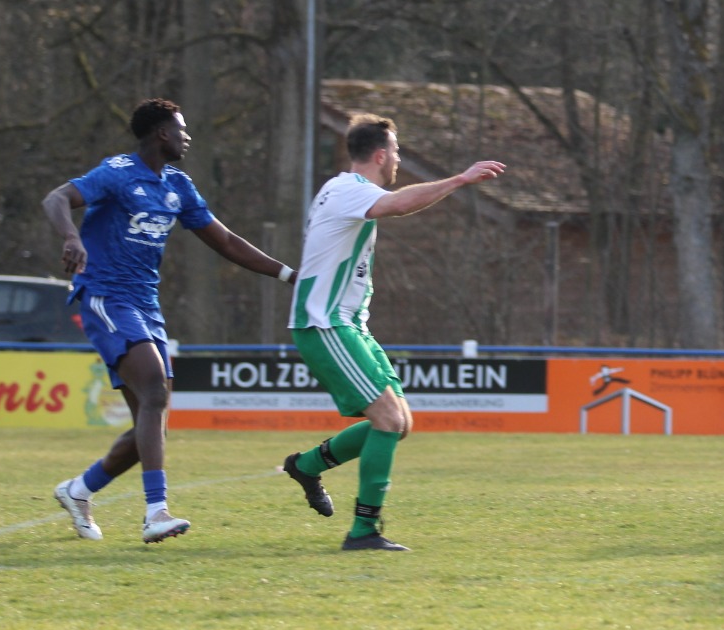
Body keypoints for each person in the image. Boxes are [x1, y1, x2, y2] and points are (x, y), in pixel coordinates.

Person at [46, 98, 298, 544]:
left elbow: (225, 241)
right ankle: (155, 513)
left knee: (153, 419)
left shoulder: (178, 185)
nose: (187, 136)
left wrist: (289, 275)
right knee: (155, 392)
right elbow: (57, 198)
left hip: (146, 303)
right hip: (106, 295)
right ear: (162, 133)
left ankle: (79, 490)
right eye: (181, 129)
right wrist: (71, 236)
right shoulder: (118, 172)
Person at [279, 114, 504, 552]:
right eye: (397, 151)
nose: (398, 159)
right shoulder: (349, 189)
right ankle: (364, 531)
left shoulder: (340, 190)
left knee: (399, 422)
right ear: (381, 155)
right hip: (325, 324)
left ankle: (306, 466)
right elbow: (400, 204)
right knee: (387, 420)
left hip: (348, 324)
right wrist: (460, 179)